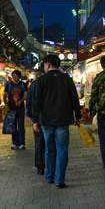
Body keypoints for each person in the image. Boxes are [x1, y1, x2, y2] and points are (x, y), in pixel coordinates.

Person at [32, 54, 81, 189]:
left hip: (46, 122)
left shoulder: (41, 80)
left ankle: (49, 176)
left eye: (44, 65)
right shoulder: (67, 79)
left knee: (49, 149)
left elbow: (36, 102)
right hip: (63, 120)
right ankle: (60, 180)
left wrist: (35, 120)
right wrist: (78, 116)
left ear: (47, 64)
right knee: (62, 149)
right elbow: (74, 99)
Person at [26, 69, 45, 175]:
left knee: (39, 143)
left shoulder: (33, 85)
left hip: (38, 119)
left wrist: (33, 120)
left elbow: (28, 103)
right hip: (48, 119)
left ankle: (40, 166)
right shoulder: (48, 84)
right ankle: (48, 165)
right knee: (48, 143)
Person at [5, 70, 27, 150]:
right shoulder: (8, 84)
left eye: (16, 76)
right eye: (13, 75)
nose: (14, 77)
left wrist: (21, 101)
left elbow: (25, 95)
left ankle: (22, 143)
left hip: (20, 109)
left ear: (19, 76)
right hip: (11, 109)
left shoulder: (23, 84)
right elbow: (5, 94)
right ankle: (14, 143)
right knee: (13, 126)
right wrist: (6, 102)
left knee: (21, 126)